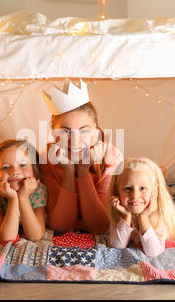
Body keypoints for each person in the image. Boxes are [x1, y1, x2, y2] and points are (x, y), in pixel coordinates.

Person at [40, 79, 123, 235]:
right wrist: (69, 171)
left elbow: (100, 227)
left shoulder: (111, 157)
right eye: (65, 131)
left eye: (84, 131)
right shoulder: (46, 159)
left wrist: (83, 171)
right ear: (54, 134)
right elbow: (62, 226)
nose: (75, 141)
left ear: (96, 133)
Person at [108, 157, 175, 257]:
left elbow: (153, 252)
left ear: (155, 191)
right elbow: (118, 246)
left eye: (143, 188)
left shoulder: (159, 216)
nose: (135, 195)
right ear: (117, 192)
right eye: (128, 188)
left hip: (160, 215)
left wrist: (143, 217)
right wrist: (126, 217)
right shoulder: (119, 213)